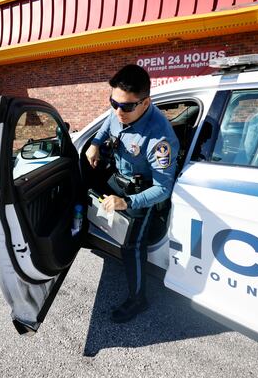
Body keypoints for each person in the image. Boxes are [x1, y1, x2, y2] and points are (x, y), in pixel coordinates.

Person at [85, 64, 180, 323]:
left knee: (132, 246)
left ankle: (138, 299)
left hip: (142, 192)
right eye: (113, 103)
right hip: (119, 178)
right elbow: (108, 122)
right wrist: (94, 144)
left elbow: (162, 189)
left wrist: (126, 202)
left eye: (126, 107)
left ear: (145, 102)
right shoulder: (119, 111)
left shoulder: (159, 138)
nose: (118, 112)